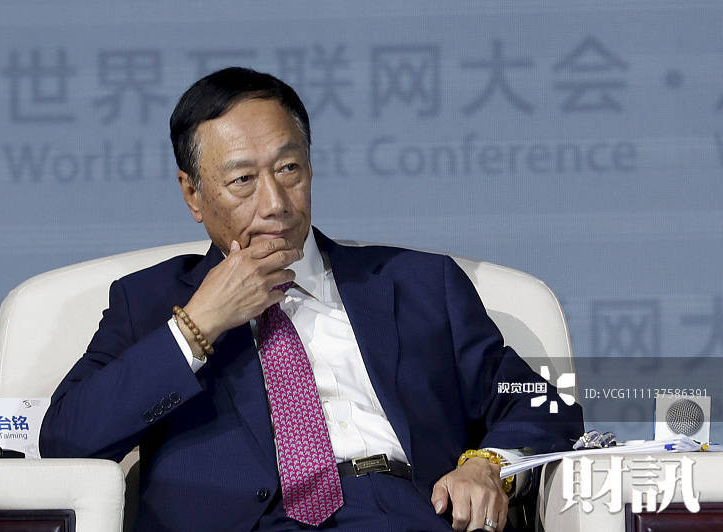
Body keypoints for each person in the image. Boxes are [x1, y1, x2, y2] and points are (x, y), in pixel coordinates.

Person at [40, 67, 583, 532]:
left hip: (404, 513)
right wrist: (199, 324)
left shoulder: (418, 283)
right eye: (243, 180)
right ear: (193, 194)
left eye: (288, 169)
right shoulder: (150, 301)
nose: (275, 203)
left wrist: (487, 465)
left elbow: (542, 403)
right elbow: (66, 440)